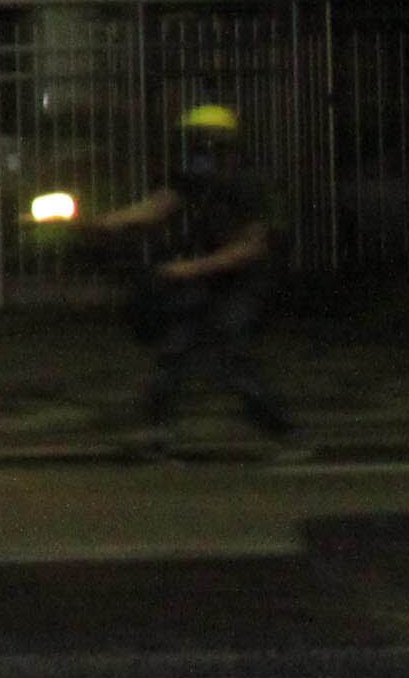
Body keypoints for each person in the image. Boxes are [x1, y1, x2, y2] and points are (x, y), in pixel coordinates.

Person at [90, 102, 297, 458]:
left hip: (246, 282)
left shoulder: (251, 184)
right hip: (212, 276)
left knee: (228, 353)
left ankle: (282, 435)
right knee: (175, 349)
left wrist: (190, 269)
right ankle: (157, 434)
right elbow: (159, 204)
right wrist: (106, 221)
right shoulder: (198, 178)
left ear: (219, 144)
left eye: (199, 142)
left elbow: (250, 249)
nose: (194, 151)